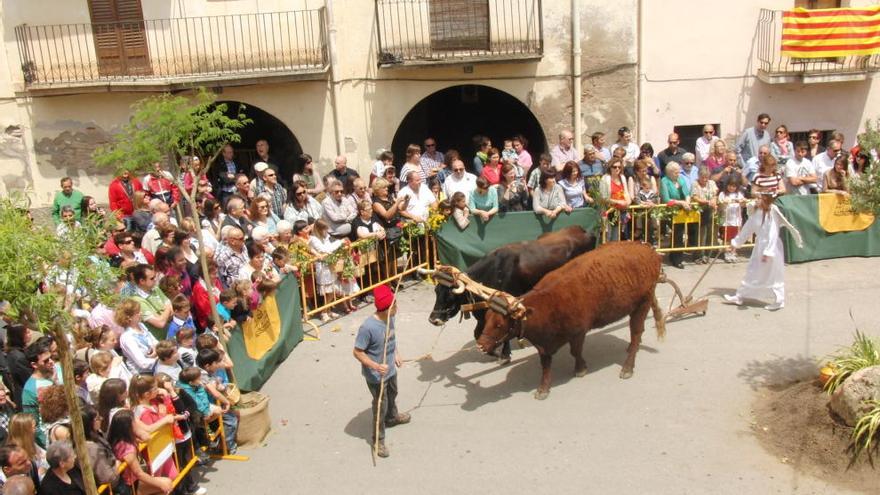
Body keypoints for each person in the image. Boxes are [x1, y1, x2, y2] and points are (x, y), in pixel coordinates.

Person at [353, 285, 410, 459]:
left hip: (390, 369)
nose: (397, 309)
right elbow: (357, 352)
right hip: (377, 375)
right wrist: (375, 366)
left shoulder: (390, 318)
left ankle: (392, 417)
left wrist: (396, 354)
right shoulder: (368, 328)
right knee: (380, 405)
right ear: (386, 308)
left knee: (393, 392)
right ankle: (378, 440)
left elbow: (391, 339)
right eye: (395, 306)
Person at [724, 193, 803, 311]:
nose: (756, 200)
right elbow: (747, 228)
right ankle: (740, 296)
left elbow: (773, 233)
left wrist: (768, 252)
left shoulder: (772, 212)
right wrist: (735, 243)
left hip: (772, 248)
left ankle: (779, 300)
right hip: (760, 246)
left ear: (765, 201)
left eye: (758, 199)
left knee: (774, 274)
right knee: (752, 271)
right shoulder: (756, 212)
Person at [660, 162, 692, 269]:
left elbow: (687, 193)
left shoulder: (681, 179)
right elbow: (666, 199)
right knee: (677, 233)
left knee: (679, 234)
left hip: (682, 210)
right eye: (675, 172)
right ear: (669, 172)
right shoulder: (664, 181)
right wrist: (681, 203)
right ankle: (677, 259)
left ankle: (674, 254)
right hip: (670, 211)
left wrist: (687, 201)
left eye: (678, 172)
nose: (678, 174)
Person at [599, 157, 632, 241]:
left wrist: (628, 202)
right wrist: (618, 202)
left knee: (617, 236)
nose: (617, 169)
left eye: (619, 167)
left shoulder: (622, 177)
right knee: (608, 236)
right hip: (609, 210)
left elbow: (626, 192)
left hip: (621, 211)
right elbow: (603, 197)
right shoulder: (605, 179)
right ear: (610, 168)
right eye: (614, 167)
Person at [718, 179, 746, 263]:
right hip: (726, 219)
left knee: (735, 237)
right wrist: (724, 202)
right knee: (727, 237)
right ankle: (727, 252)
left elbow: (743, 204)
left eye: (734, 186)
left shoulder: (739, 194)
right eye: (730, 185)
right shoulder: (722, 194)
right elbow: (720, 204)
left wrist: (743, 201)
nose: (731, 188)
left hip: (736, 219)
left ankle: (733, 252)